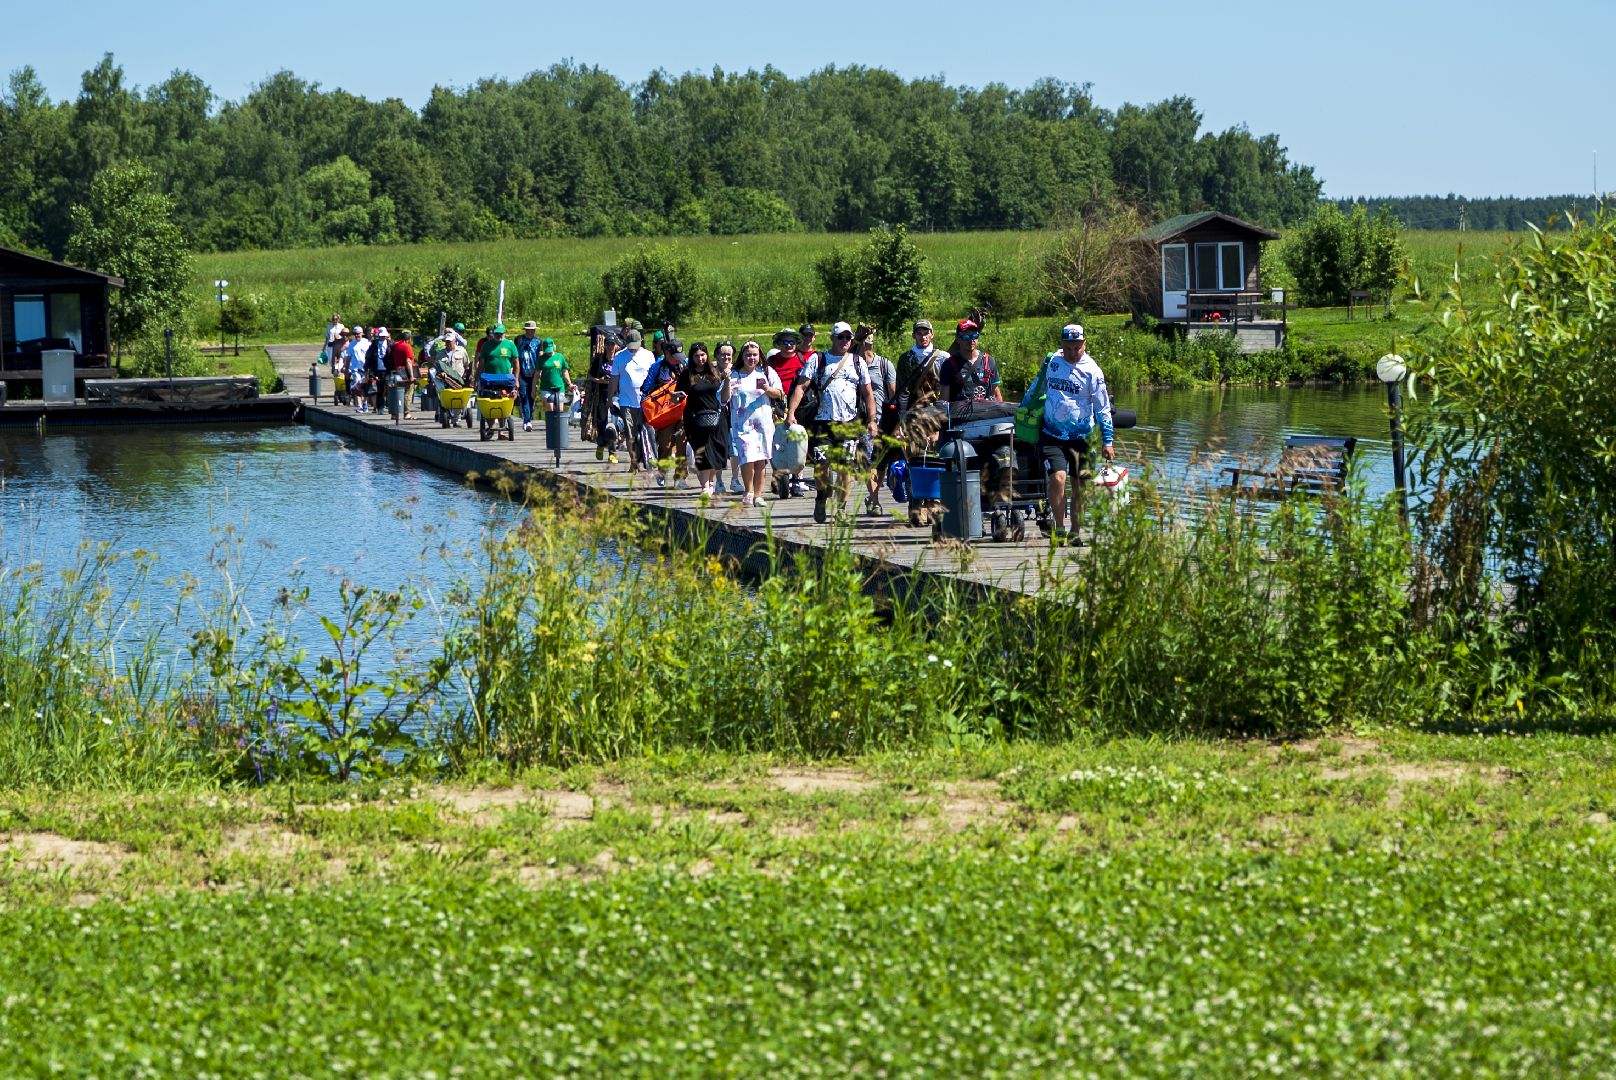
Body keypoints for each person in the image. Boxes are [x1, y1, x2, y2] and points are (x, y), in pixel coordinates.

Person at [1024, 323, 1115, 541]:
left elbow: (1102, 408)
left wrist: (1108, 441)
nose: (1073, 352)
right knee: (1058, 478)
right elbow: (1037, 387)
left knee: (1080, 485)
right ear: (1062, 345)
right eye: (1068, 347)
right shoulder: (1053, 361)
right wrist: (1023, 411)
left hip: (1082, 437)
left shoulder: (1093, 371)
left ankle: (1075, 531)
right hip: (1052, 434)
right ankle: (1059, 527)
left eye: (1077, 347)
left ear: (1084, 344)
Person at [787, 321, 878, 524]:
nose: (845, 341)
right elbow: (801, 388)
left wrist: (872, 420)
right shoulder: (818, 360)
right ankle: (821, 495)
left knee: (846, 468)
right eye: (841, 337)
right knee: (822, 465)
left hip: (848, 423)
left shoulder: (857, 362)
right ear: (832, 338)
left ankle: (841, 509)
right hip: (822, 423)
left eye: (848, 337)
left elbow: (868, 393)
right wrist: (791, 412)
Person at [728, 340, 784, 508]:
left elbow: (779, 394)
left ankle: (758, 495)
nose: (751, 358)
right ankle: (748, 490)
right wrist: (726, 384)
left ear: (759, 356)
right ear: (742, 356)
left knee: (760, 460)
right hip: (742, 424)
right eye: (748, 354)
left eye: (754, 354)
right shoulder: (734, 374)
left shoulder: (766, 372)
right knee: (746, 458)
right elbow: (723, 398)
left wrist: (767, 388)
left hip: (763, 424)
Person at [851, 324, 898, 517]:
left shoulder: (884, 365)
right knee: (868, 462)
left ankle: (873, 496)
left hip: (882, 421)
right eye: (865, 338)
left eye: (871, 337)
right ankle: (876, 500)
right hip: (860, 421)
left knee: (881, 464)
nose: (869, 340)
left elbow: (894, 395)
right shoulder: (851, 363)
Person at [677, 342, 729, 496]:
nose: (700, 358)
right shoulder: (686, 374)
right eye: (696, 356)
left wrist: (726, 380)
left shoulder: (715, 371)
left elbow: (724, 396)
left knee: (718, 452)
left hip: (717, 415)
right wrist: (676, 398)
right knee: (702, 452)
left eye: (703, 355)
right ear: (692, 357)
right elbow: (678, 396)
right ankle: (705, 487)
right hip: (695, 417)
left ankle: (711, 480)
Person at [641, 340, 689, 487]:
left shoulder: (686, 364)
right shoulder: (657, 367)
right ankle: (662, 470)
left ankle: (680, 477)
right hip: (665, 411)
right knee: (665, 444)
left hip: (683, 409)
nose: (677, 358)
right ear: (666, 353)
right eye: (674, 355)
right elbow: (646, 389)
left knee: (682, 443)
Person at [767, 329, 808, 498]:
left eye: (792, 342)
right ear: (780, 344)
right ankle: (779, 476)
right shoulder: (771, 361)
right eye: (785, 342)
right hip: (776, 405)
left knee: (798, 441)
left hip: (798, 404)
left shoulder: (801, 359)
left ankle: (798, 480)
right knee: (778, 441)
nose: (789, 345)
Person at [611, 328, 657, 473]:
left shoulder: (648, 355)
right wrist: (610, 398)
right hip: (626, 401)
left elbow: (654, 377)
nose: (633, 349)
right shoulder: (619, 357)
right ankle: (633, 461)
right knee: (630, 434)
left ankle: (650, 458)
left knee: (648, 431)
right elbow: (614, 378)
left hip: (646, 401)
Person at [939, 317, 1002, 405]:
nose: (971, 340)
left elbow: (996, 394)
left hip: (986, 414)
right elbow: (943, 400)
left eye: (975, 336)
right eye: (966, 337)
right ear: (958, 339)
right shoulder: (949, 364)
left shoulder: (988, 360)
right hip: (960, 415)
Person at [713, 341, 745, 493]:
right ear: (717, 356)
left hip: (734, 413)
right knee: (718, 447)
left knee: (735, 448)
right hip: (717, 414)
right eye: (723, 354)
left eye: (729, 354)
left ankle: (735, 479)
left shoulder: (737, 371)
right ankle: (718, 481)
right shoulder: (711, 371)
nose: (726, 357)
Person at [896, 318, 945, 416]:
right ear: (913, 336)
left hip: (937, 410)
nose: (923, 337)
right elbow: (902, 391)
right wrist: (902, 415)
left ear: (932, 334)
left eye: (926, 333)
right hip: (914, 411)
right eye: (919, 333)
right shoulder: (905, 359)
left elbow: (948, 387)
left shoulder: (943, 357)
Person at [515, 320, 544, 431]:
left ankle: (528, 416)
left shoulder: (538, 341)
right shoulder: (519, 339)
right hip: (521, 371)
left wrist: (540, 369)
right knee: (523, 396)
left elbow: (540, 355)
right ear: (526, 330)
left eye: (533, 330)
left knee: (532, 395)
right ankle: (527, 421)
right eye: (529, 329)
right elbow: (516, 355)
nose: (531, 331)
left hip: (534, 372)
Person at [536, 337, 573, 421]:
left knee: (560, 410)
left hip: (559, 387)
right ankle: (551, 427)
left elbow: (565, 372)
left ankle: (559, 429)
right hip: (546, 388)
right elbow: (537, 374)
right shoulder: (541, 358)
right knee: (550, 408)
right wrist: (534, 388)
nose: (549, 352)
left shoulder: (560, 357)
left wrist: (569, 384)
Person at [383, 328, 416, 419]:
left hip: (394, 372)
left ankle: (394, 414)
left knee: (394, 393)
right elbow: (408, 361)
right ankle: (406, 413)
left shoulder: (394, 345)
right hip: (404, 373)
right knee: (407, 392)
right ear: (409, 338)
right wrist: (412, 376)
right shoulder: (406, 346)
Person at [342, 327, 371, 413]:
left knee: (365, 388)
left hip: (365, 369)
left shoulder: (367, 343)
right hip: (355, 369)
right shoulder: (351, 344)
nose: (357, 335)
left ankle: (364, 402)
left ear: (362, 333)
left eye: (358, 333)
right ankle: (359, 406)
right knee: (356, 387)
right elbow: (348, 357)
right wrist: (346, 369)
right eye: (355, 334)